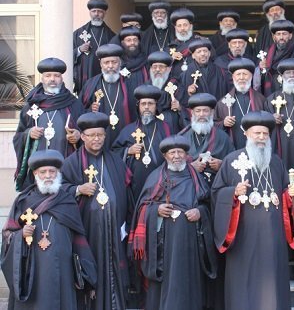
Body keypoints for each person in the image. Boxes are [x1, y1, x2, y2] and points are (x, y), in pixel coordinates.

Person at [211, 111, 294, 310]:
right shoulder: (232, 160)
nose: (261, 137)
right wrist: (233, 192)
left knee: (273, 286)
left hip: (272, 235)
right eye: (256, 133)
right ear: (246, 134)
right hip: (243, 235)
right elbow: (216, 193)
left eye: (265, 134)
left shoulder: (276, 162)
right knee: (245, 284)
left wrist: (292, 193)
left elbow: (286, 194)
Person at [128, 135, 217, 310]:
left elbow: (208, 205)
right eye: (172, 153)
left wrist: (200, 212)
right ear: (165, 156)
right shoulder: (156, 177)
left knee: (188, 280)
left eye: (180, 152)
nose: (176, 156)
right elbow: (143, 207)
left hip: (191, 242)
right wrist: (156, 211)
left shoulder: (196, 178)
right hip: (164, 244)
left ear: (186, 154)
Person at [1, 150, 97, 310]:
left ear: (58, 173)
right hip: (32, 273)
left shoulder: (68, 201)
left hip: (63, 273)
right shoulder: (23, 201)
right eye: (43, 172)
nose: (48, 175)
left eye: (52, 171)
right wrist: (21, 235)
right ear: (35, 174)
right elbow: (7, 236)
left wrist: (89, 277)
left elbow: (79, 240)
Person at [61, 112, 132, 310]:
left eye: (100, 135)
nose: (96, 139)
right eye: (91, 135)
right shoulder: (71, 163)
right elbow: (58, 192)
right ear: (82, 136)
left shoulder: (116, 160)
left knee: (114, 271)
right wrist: (77, 189)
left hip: (113, 230)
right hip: (87, 231)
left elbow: (127, 190)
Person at [13, 57, 83, 190]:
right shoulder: (31, 104)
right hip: (39, 167)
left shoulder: (73, 103)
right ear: (42, 79)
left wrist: (78, 135)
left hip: (66, 161)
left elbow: (85, 131)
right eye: (48, 75)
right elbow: (18, 135)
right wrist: (29, 134)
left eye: (56, 76)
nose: (52, 79)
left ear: (61, 79)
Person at [112, 84, 176, 201]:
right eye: (143, 104)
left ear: (156, 106)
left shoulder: (166, 128)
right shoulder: (128, 130)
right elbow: (114, 154)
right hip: (135, 184)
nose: (146, 107)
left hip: (161, 182)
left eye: (150, 104)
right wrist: (128, 151)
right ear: (138, 106)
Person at [80, 43, 137, 148]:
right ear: (101, 64)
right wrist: (90, 110)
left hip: (125, 132)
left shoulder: (130, 83)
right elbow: (80, 110)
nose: (110, 66)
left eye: (114, 62)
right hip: (99, 137)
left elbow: (137, 110)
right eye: (106, 63)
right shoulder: (91, 84)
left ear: (120, 63)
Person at [180, 93, 234, 185]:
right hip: (189, 187)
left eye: (205, 111)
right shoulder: (182, 138)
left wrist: (221, 165)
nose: (201, 114)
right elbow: (172, 167)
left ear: (212, 113)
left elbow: (233, 162)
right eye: (198, 111)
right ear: (192, 113)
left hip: (215, 186)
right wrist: (191, 167)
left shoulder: (223, 137)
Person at [214, 57, 266, 149]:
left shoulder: (261, 99)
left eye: (245, 74)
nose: (241, 78)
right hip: (233, 146)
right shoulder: (223, 102)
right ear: (233, 77)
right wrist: (223, 123)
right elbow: (214, 125)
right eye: (238, 74)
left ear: (251, 76)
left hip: (256, 145)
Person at [73, 0, 115, 93]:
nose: (96, 14)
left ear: (105, 13)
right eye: (93, 11)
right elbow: (67, 55)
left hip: (104, 74)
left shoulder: (112, 36)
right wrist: (79, 49)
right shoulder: (79, 34)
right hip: (85, 76)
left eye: (100, 11)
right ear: (90, 12)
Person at [255, 19, 294, 97]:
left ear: (290, 36)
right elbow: (259, 75)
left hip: (291, 89)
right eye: (278, 34)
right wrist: (261, 68)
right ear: (274, 37)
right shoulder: (266, 51)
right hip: (270, 90)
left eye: (284, 34)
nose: (281, 37)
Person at [169, 7, 207, 73]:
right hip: (176, 81)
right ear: (175, 28)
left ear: (191, 26)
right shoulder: (171, 46)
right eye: (179, 26)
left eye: (185, 25)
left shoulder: (202, 43)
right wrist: (171, 58)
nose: (182, 28)